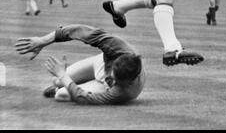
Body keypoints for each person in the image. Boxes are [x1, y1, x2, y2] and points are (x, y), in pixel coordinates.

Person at [15, 24, 145, 105]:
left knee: (61, 94)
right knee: (57, 81)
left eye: (115, 81)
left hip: (103, 85)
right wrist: (42, 41)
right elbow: (80, 31)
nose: (111, 80)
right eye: (112, 76)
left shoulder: (123, 92)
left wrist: (63, 74)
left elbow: (83, 98)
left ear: (127, 83)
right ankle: (60, 83)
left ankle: (60, 87)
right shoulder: (116, 46)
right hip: (100, 64)